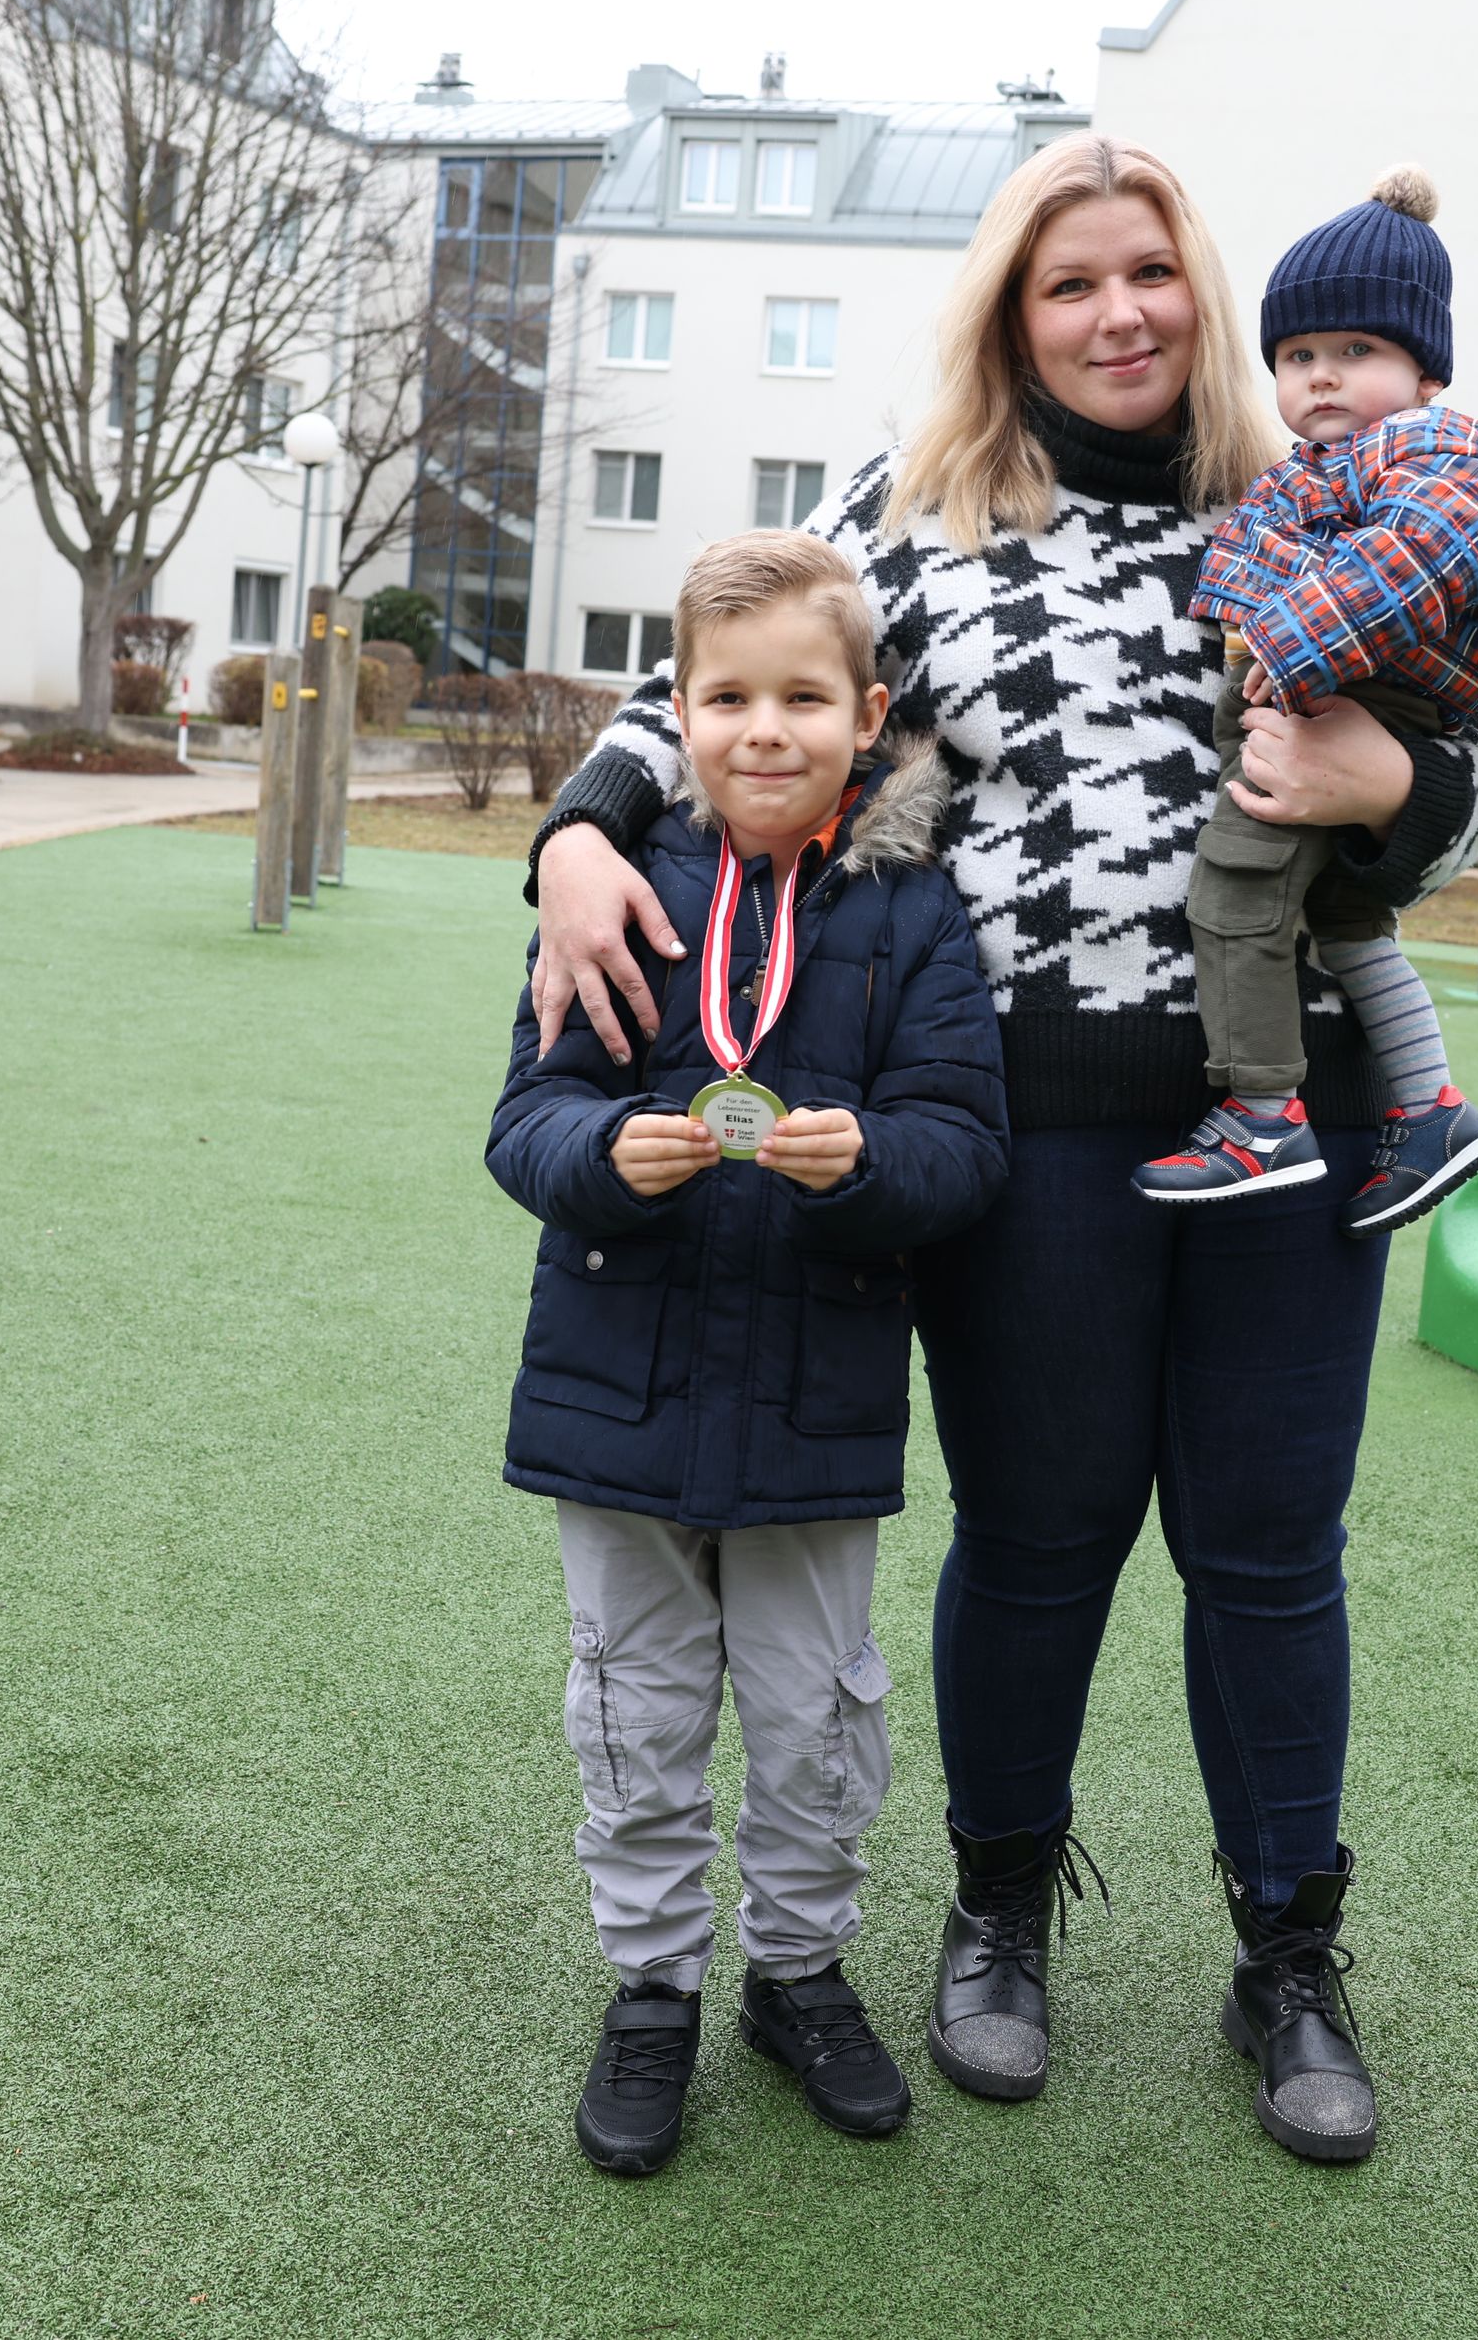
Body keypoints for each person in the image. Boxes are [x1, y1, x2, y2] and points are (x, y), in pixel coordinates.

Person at [526, 134, 1478, 2167]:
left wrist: (1389, 770)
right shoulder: (911, 510)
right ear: (1010, 309)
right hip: (1029, 1124)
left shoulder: (1317, 494)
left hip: (1287, 1109)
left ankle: (1288, 1957)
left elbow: (1463, 776)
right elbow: (682, 691)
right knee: (1040, 1535)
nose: (1117, 313)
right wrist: (566, 841)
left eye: (1148, 272)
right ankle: (997, 1912)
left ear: (1196, 287)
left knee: (1265, 1548)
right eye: (1069, 283)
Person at [486, 529, 1010, 2180]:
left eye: (802, 696)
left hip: (815, 1396)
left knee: (815, 1721)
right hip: (618, 1392)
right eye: (727, 697)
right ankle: (651, 1987)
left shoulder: (918, 916)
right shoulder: (624, 881)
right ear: (680, 711)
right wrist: (600, 1160)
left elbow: (964, 1139)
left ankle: (796, 1971)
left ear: (868, 712)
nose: (762, 730)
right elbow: (527, 1117)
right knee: (636, 1714)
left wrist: (864, 1168)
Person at [1139, 165, 1478, 1225]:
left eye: (1358, 352)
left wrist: (1282, 649)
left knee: (1234, 899)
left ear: (1425, 371)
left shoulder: (1433, 456)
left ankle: (1259, 1114)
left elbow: (1412, 563)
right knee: (1348, 924)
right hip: (1338, 701)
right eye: (1298, 357)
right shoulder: (1325, 466)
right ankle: (1432, 1106)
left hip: (1352, 706)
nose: (1324, 379)